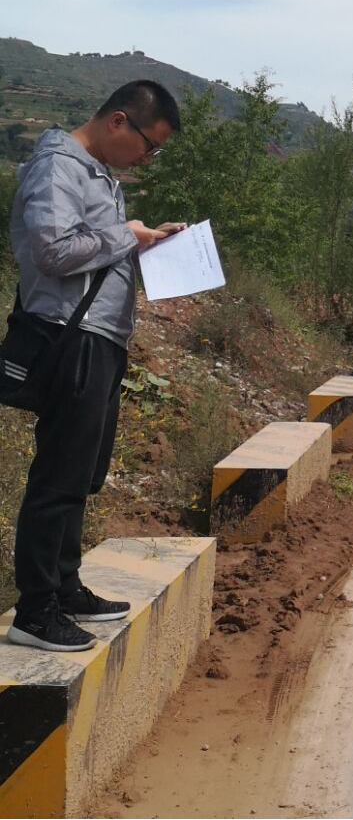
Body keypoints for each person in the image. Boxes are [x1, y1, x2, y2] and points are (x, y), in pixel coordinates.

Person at [7, 80, 185, 652]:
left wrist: (147, 241)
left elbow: (96, 249)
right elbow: (52, 251)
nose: (147, 159)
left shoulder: (99, 176)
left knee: (82, 475)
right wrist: (122, 235)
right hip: (69, 337)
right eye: (148, 146)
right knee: (58, 476)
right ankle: (35, 610)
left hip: (101, 338)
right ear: (118, 122)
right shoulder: (58, 166)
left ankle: (65, 586)